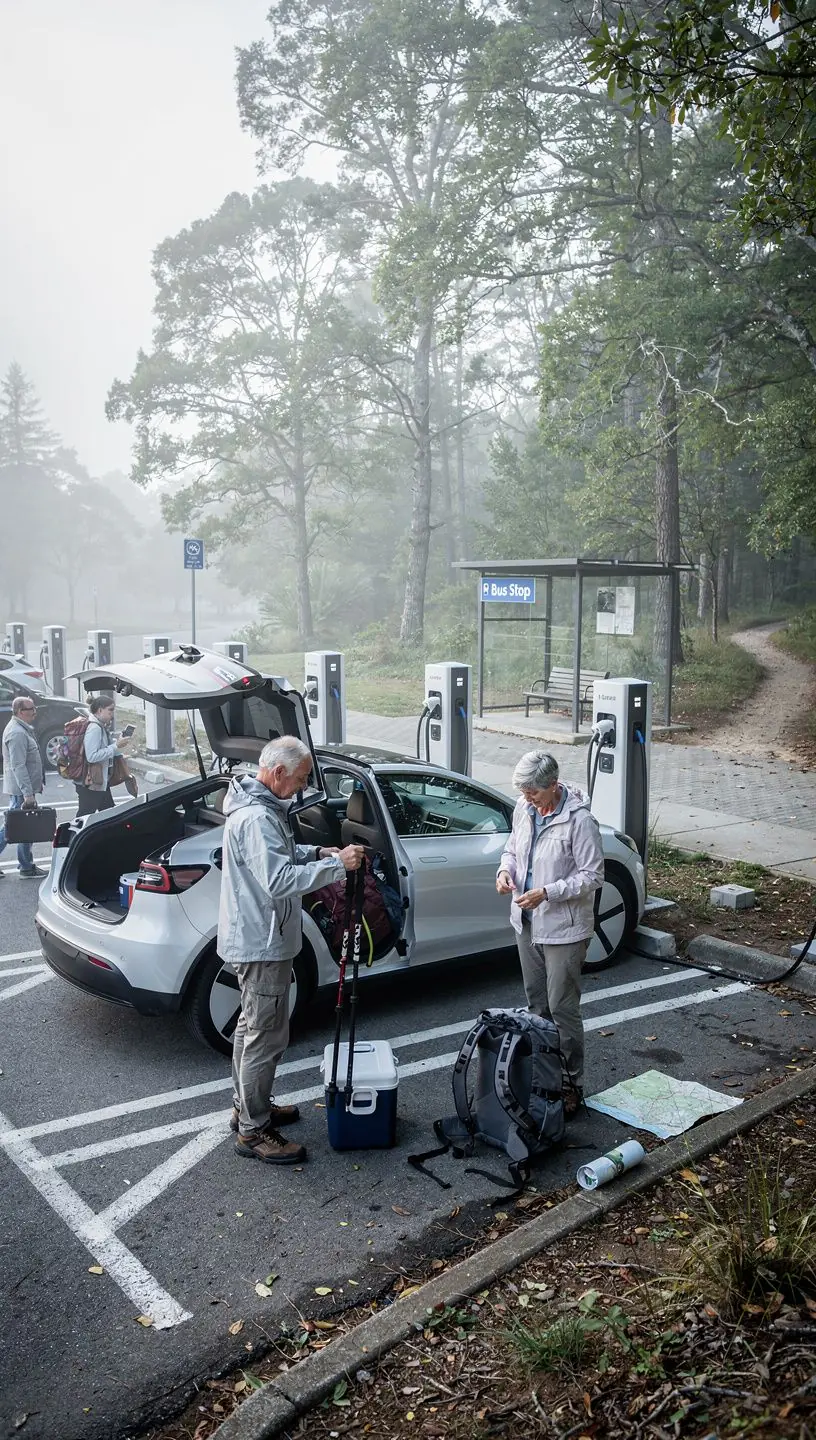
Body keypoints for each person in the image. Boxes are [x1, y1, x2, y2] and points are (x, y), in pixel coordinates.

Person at [218, 735, 365, 1166]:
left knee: (251, 1028)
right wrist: (338, 865)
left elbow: (277, 855)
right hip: (262, 942)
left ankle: (248, 1107)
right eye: (300, 779)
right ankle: (254, 1130)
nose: (302, 788)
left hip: (256, 935)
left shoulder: (258, 807)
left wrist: (318, 850)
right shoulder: (257, 818)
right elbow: (279, 879)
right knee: (266, 1035)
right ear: (277, 772)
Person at [496, 750, 604, 1115]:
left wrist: (548, 892)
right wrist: (504, 872)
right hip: (525, 922)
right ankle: (544, 1077)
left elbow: (593, 875)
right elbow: (512, 849)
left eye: (534, 794)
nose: (529, 799)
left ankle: (572, 1083)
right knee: (537, 1007)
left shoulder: (580, 821)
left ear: (554, 787)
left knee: (562, 1008)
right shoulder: (522, 808)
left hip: (565, 929)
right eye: (525, 793)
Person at [0, 694, 47, 878]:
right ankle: (26, 866)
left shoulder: (22, 728)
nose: (35, 712)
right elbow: (18, 765)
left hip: (23, 789)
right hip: (21, 790)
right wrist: (28, 793)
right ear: (21, 711)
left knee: (24, 826)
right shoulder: (17, 733)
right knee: (13, 827)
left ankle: (26, 865)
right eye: (31, 709)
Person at [75, 694, 130, 817]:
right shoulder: (95, 728)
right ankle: (71, 836)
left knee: (109, 814)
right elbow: (92, 756)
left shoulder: (100, 726)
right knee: (84, 818)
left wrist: (118, 746)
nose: (112, 714)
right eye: (110, 710)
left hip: (99, 781)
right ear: (100, 710)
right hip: (92, 783)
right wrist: (115, 746)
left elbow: (104, 749)